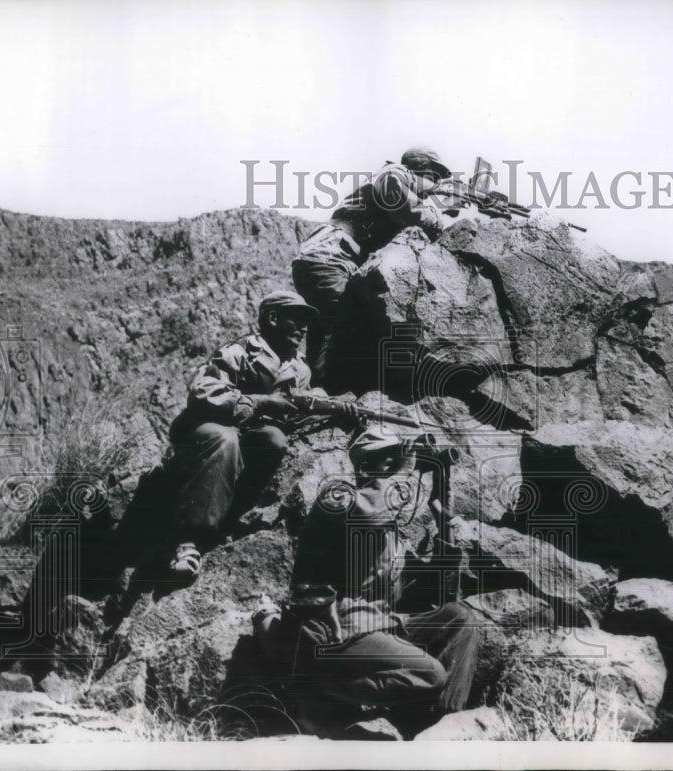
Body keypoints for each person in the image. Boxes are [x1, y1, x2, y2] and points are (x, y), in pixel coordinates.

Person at [253, 425, 478, 738]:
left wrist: (444, 523)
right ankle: (316, 688)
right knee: (431, 674)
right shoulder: (337, 499)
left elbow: (436, 593)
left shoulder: (392, 534)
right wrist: (405, 468)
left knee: (460, 617)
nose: (405, 473)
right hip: (335, 627)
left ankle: (441, 722)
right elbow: (367, 513)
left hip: (379, 624)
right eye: (393, 462)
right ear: (370, 466)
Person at [157, 290, 353, 579]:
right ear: (272, 319)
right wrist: (260, 402)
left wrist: (336, 407)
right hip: (208, 436)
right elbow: (203, 391)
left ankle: (229, 518)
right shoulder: (238, 351)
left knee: (274, 441)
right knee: (226, 440)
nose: (304, 329)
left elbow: (303, 400)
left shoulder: (299, 367)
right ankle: (190, 540)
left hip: (248, 439)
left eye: (306, 323)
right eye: (295, 320)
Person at [292, 146, 454, 381]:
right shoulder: (393, 173)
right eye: (433, 178)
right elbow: (406, 208)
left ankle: (315, 390)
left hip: (328, 258)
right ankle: (322, 395)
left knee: (328, 329)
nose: (435, 186)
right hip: (330, 257)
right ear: (418, 169)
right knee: (343, 326)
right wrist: (437, 214)